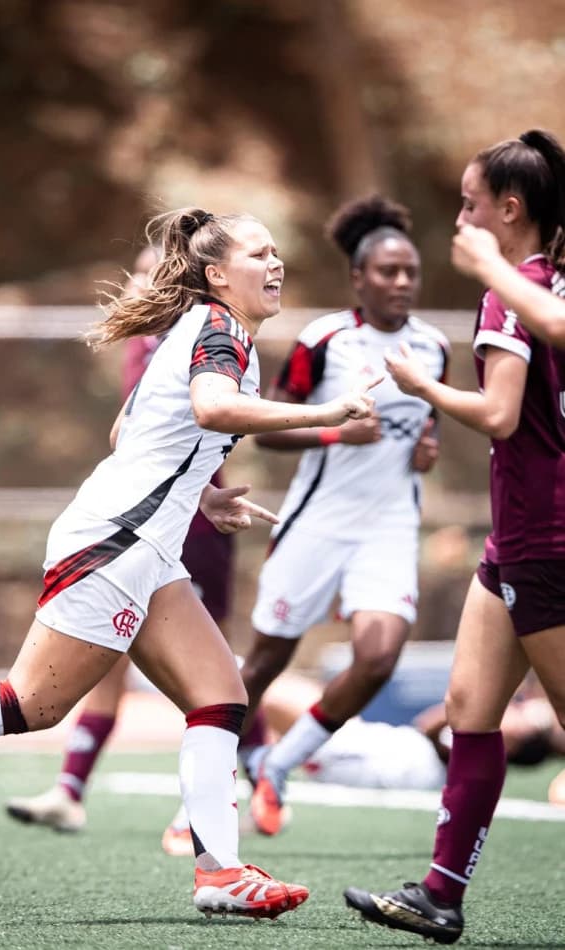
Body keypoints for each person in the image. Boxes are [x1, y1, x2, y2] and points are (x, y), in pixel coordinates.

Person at [0, 206, 380, 921]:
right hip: (114, 543)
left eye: (277, 254)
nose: (276, 265)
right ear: (215, 274)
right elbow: (211, 409)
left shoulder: (206, 331)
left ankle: (220, 873)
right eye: (260, 254)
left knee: (221, 697)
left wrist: (201, 497)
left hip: (144, 548)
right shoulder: (218, 329)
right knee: (32, 704)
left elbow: (128, 430)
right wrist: (324, 415)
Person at [344, 129, 565, 944]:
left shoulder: (513, 290)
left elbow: (501, 415)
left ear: (509, 212)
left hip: (546, 536)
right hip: (515, 537)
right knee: (471, 710)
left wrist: (417, 383)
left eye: (470, 203)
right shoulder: (545, 281)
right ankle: (441, 893)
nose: (461, 217)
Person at [4, 243, 237, 858]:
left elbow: (204, 424)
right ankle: (73, 788)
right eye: (134, 272)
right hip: (133, 532)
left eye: (147, 275)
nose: (134, 284)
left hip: (190, 537)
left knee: (217, 681)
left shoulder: (205, 338)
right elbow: (131, 435)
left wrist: (207, 498)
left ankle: (227, 805)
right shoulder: (148, 344)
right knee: (91, 678)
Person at [234, 195, 449, 836]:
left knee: (379, 658)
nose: (402, 282)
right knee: (264, 664)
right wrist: (334, 435)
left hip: (388, 528)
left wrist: (426, 454)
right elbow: (266, 430)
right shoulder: (323, 339)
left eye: (411, 271)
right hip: (316, 523)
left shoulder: (434, 347)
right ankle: (212, 780)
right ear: (359, 277)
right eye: (388, 271)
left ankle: (278, 765)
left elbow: (425, 431)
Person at [260, 670, 561, 792]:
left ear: (513, 745)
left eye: (519, 716)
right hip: (358, 741)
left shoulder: (476, 757)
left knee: (266, 689)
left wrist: (485, 699)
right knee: (274, 696)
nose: (514, 709)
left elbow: (433, 726)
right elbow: (425, 724)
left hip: (348, 751)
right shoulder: (471, 748)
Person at [452, 224, 565, 347]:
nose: (460, 221)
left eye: (470, 207)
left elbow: (558, 323)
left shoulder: (506, 293)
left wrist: (486, 263)